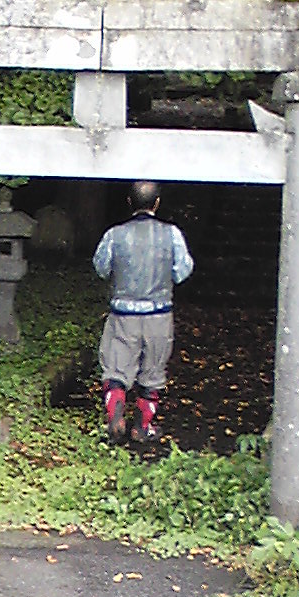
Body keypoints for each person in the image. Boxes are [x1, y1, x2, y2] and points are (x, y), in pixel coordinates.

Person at [93, 180, 193, 444]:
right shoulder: (171, 234)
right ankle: (142, 426)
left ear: (129, 203)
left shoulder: (115, 234)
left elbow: (101, 267)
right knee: (153, 372)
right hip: (159, 314)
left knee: (115, 369)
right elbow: (183, 271)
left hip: (123, 314)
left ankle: (115, 417)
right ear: (157, 203)